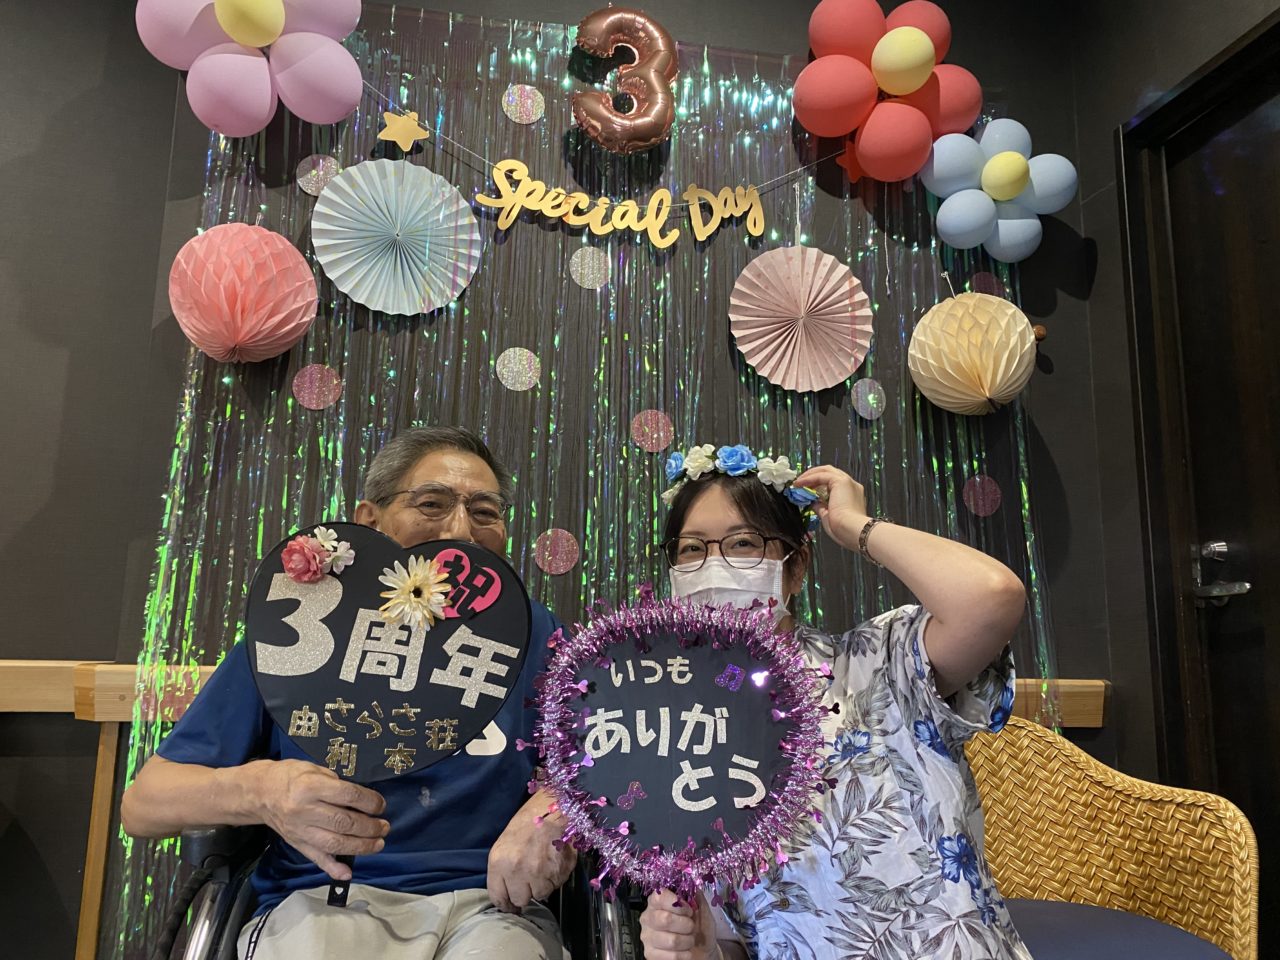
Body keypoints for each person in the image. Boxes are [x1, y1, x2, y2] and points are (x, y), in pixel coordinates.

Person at [121, 427, 575, 960]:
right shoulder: (298, 626)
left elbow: (610, 763)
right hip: (325, 899)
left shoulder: (535, 633)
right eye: (431, 504)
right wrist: (262, 790)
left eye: (484, 512)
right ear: (369, 520)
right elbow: (144, 803)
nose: (460, 531)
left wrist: (554, 810)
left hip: (490, 908)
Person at [638, 444, 1031, 960]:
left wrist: (854, 526)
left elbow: (992, 596)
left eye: (743, 543)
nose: (714, 566)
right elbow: (742, 937)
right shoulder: (676, 735)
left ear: (795, 566)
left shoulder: (880, 662)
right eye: (692, 549)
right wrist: (699, 946)